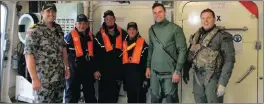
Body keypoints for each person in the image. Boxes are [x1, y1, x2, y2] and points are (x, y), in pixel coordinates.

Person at [183, 8, 235, 103]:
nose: (205, 21)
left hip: (214, 77)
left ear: (214, 19)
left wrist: (222, 83)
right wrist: (186, 69)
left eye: (208, 18)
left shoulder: (223, 36)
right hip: (198, 77)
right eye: (203, 18)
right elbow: (190, 54)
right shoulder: (196, 35)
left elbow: (229, 61)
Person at [24, 3, 70, 103]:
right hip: (44, 80)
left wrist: (67, 67)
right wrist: (34, 79)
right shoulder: (34, 30)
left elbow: (63, 50)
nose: (51, 14)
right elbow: (29, 55)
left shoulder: (58, 29)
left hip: (59, 78)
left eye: (53, 11)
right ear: (42, 13)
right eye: (48, 11)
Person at [145, 2, 187, 103]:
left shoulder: (175, 29)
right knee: (154, 100)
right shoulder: (152, 30)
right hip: (154, 74)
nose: (157, 14)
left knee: (171, 100)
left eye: (160, 12)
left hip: (170, 74)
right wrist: (148, 67)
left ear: (165, 13)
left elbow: (182, 50)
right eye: (154, 13)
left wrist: (177, 71)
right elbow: (151, 49)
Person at [93, 10, 127, 103]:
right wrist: (96, 69)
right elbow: (95, 54)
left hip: (117, 72)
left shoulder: (123, 34)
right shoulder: (99, 35)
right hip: (103, 73)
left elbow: (127, 53)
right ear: (104, 20)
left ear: (114, 19)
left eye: (111, 18)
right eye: (107, 19)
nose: (109, 21)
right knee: (102, 98)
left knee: (114, 98)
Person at [64, 14, 97, 103]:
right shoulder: (69, 37)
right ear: (76, 24)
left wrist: (95, 70)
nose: (82, 26)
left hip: (88, 71)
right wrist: (66, 69)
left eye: (84, 23)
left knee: (90, 95)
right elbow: (63, 54)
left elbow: (95, 55)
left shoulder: (91, 37)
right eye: (79, 23)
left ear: (87, 25)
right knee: (72, 96)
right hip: (73, 71)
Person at [121, 22, 149, 103]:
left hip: (140, 80)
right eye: (129, 29)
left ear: (136, 31)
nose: (131, 31)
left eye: (133, 29)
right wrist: (124, 81)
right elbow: (122, 63)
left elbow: (148, 62)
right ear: (127, 31)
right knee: (130, 100)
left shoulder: (143, 44)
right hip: (128, 80)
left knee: (141, 100)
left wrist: (146, 80)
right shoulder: (124, 44)